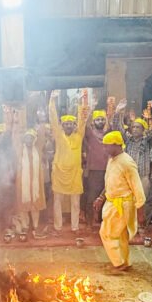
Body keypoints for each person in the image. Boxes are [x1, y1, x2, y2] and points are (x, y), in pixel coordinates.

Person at [96, 131, 146, 272]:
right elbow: (109, 182)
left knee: (107, 233)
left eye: (106, 146)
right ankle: (125, 262)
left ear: (116, 145)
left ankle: (118, 264)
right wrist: (101, 197)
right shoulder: (112, 159)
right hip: (113, 202)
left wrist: (141, 213)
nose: (104, 149)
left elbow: (138, 189)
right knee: (121, 235)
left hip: (122, 204)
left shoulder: (127, 162)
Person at [48, 91, 87, 234]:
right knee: (57, 201)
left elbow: (83, 120)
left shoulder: (79, 136)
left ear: (74, 125)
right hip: (59, 173)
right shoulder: (59, 136)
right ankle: (57, 226)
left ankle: (74, 227)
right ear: (62, 126)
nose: (69, 126)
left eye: (71, 124)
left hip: (75, 174)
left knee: (75, 202)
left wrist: (81, 103)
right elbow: (53, 120)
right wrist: (52, 101)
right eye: (66, 124)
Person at [83, 108, 111, 228]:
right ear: (93, 122)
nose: (100, 121)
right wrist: (89, 110)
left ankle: (101, 221)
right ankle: (89, 222)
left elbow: (113, 124)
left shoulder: (108, 134)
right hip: (94, 170)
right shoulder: (90, 133)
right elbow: (84, 125)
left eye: (102, 119)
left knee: (106, 197)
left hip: (108, 170)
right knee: (92, 196)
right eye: (98, 119)